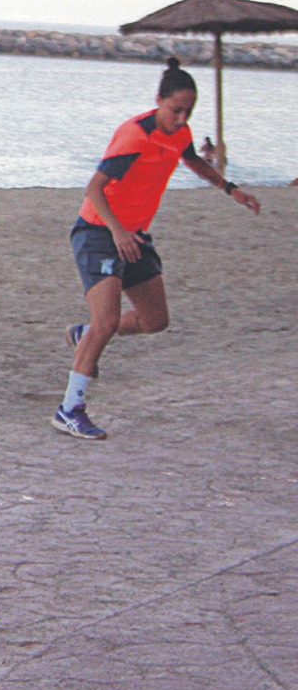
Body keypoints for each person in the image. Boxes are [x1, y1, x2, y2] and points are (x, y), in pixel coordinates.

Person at [53, 58, 260, 440]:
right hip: (99, 231)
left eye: (187, 112)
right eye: (175, 110)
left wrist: (232, 190)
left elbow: (195, 163)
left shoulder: (179, 134)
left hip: (133, 234)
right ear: (158, 101)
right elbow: (94, 188)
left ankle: (82, 335)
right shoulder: (135, 136)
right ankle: (69, 409)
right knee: (107, 321)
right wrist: (117, 232)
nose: (182, 119)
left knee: (155, 320)